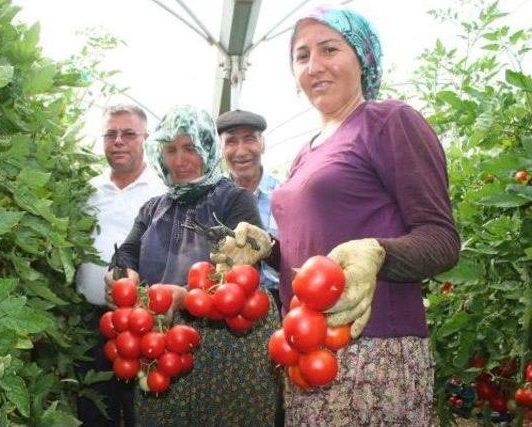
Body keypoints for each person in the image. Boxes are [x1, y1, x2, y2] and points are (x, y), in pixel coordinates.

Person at [214, 7, 460, 426]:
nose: (315, 66)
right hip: (306, 352)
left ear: (362, 57)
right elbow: (310, 255)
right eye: (302, 56)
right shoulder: (307, 151)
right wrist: (266, 249)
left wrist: (377, 252)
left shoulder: (388, 122)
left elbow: (441, 240)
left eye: (330, 49)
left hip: (373, 350)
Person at [113, 105, 280, 427]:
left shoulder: (234, 199)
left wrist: (188, 294)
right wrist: (121, 274)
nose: (179, 160)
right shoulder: (152, 208)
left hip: (227, 346)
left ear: (207, 147)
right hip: (162, 340)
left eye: (190, 148)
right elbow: (127, 252)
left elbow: (241, 268)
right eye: (170, 150)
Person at [75, 104, 165, 427]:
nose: (118, 141)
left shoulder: (162, 192)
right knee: (95, 410)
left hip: (143, 322)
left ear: (145, 139)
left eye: (128, 134)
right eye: (110, 134)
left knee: (144, 410)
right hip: (90, 321)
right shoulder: (89, 190)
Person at [216, 110, 282, 312]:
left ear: (263, 143)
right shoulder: (212, 198)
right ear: (221, 149)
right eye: (231, 142)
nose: (241, 151)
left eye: (249, 139)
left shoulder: (285, 196)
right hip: (222, 306)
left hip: (277, 305)